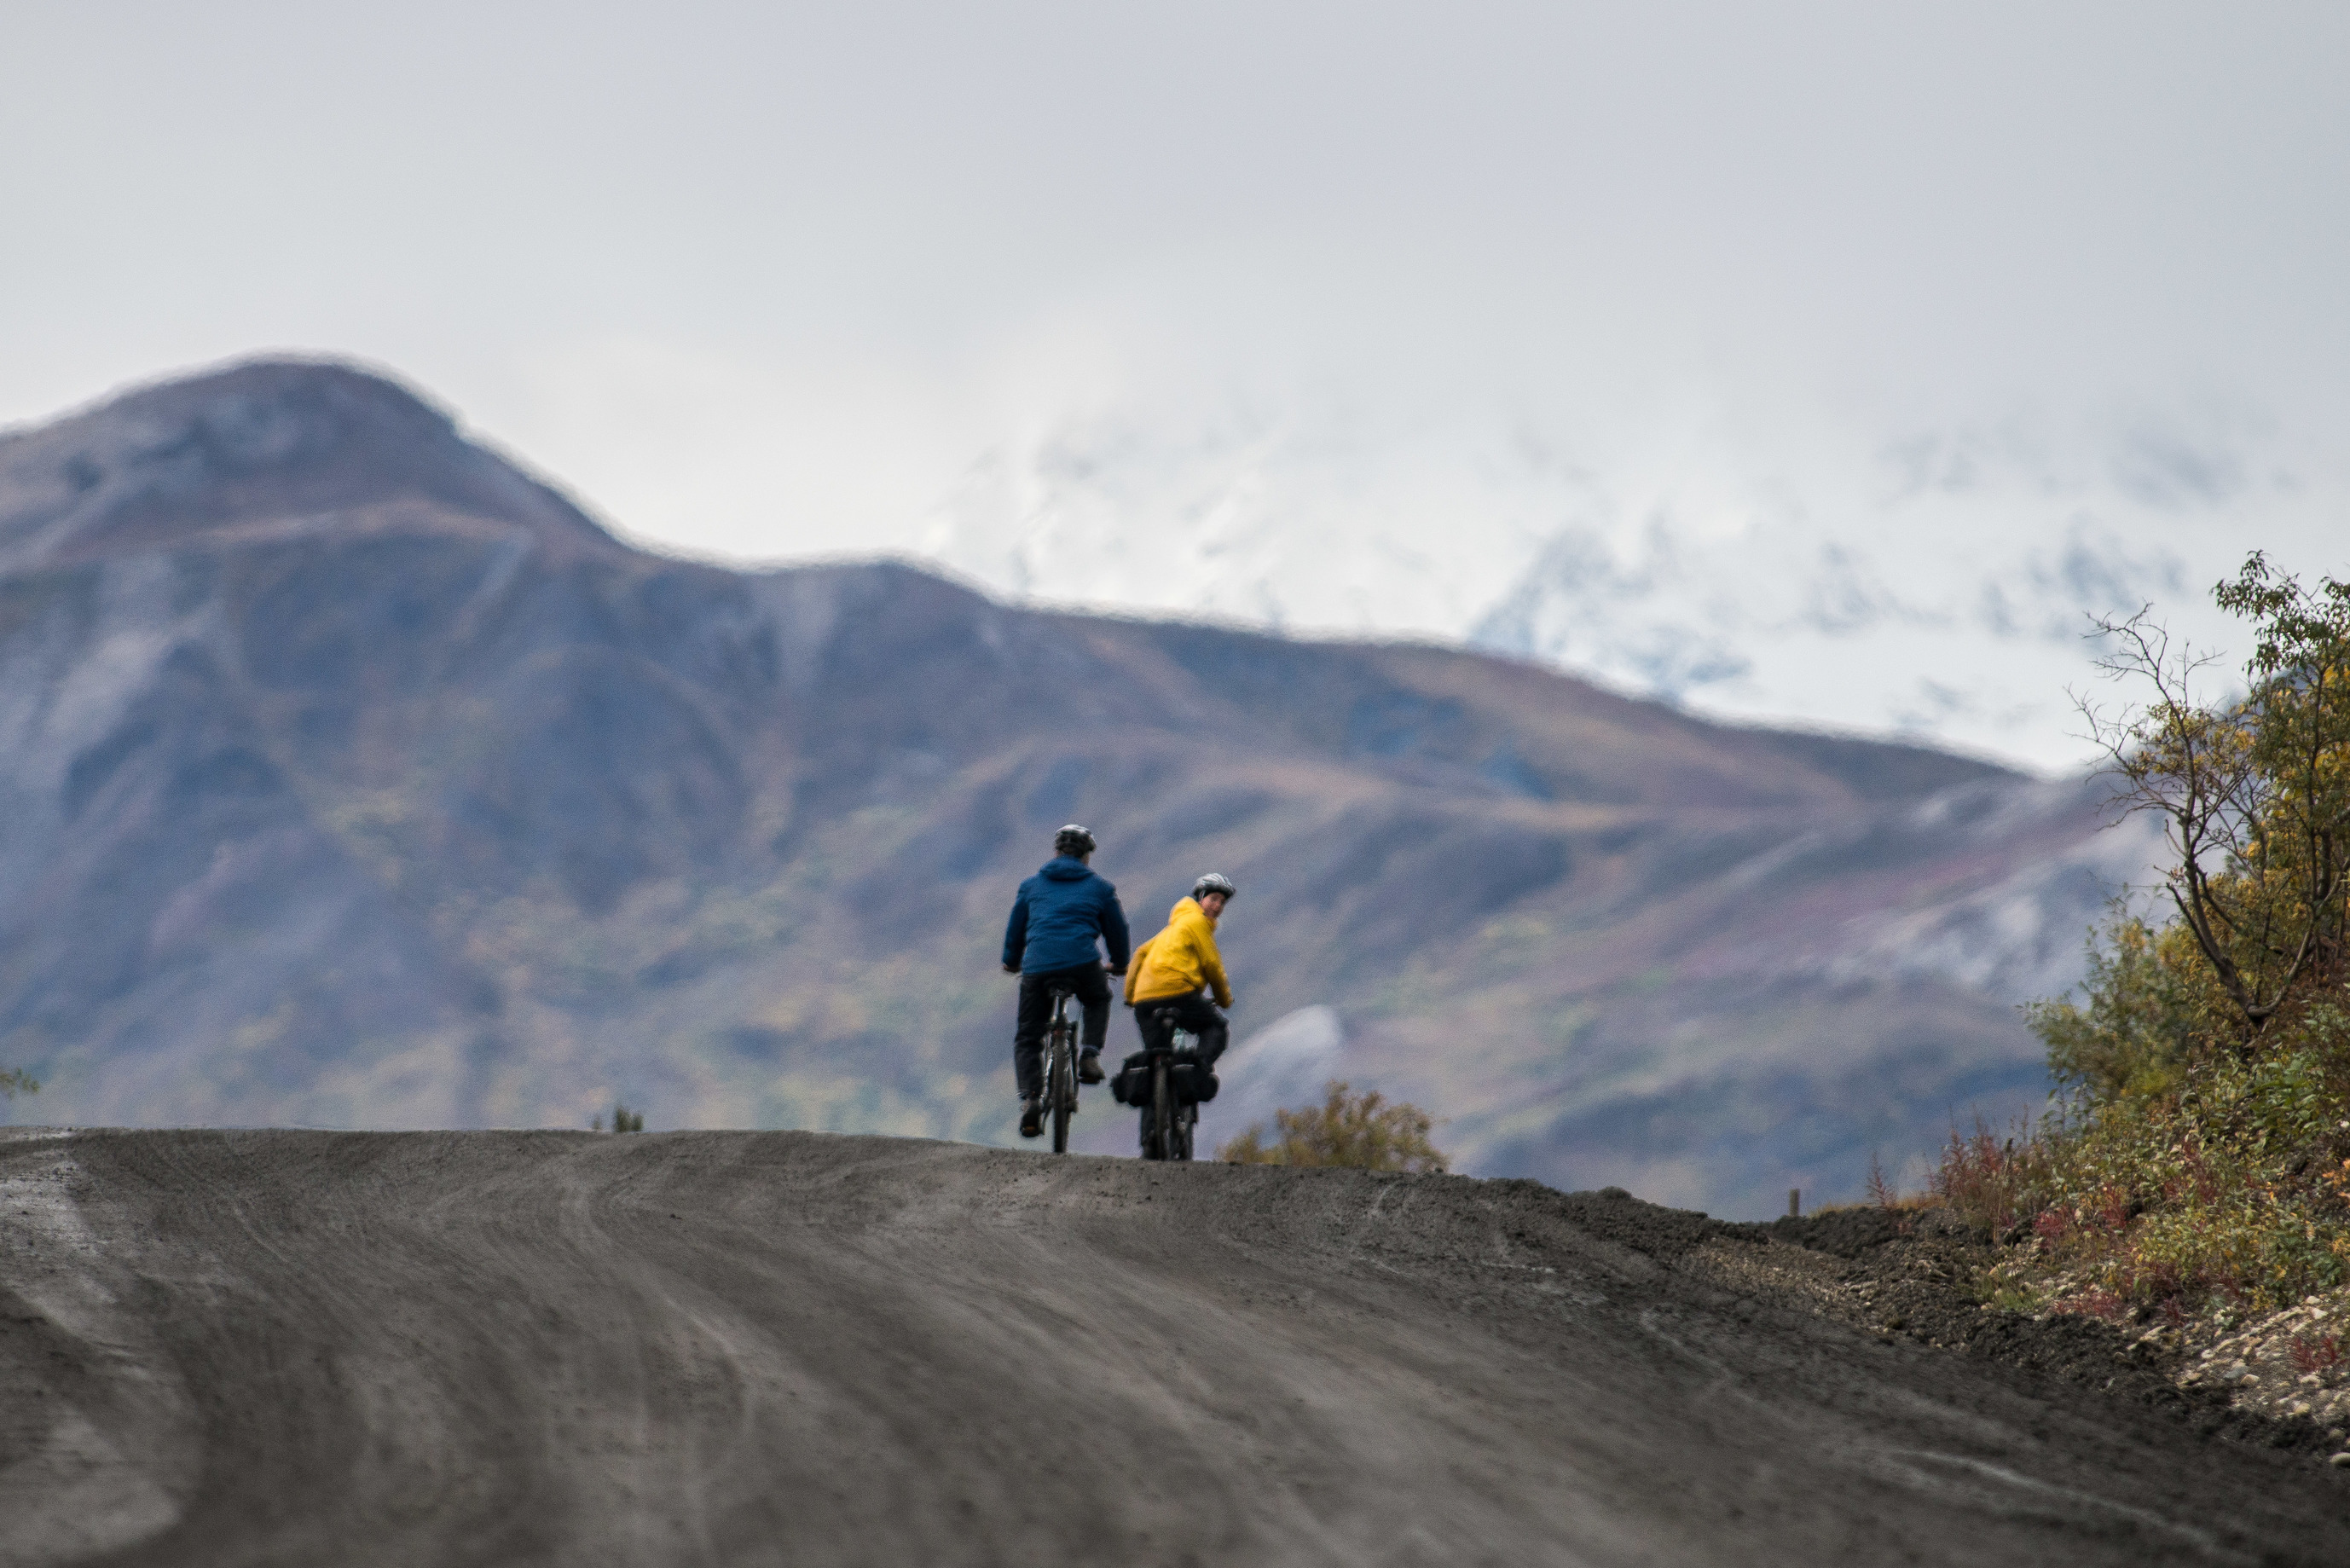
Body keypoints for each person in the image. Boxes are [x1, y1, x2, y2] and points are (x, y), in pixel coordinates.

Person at [1002, 825, 1132, 1138]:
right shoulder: (1100, 888)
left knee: (1028, 1037)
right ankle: (1088, 1054)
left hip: (1038, 966)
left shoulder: (1031, 886)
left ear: (1056, 853)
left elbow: (1015, 929)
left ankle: (1031, 1099)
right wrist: (1119, 963)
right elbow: (1117, 932)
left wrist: (1011, 961)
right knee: (1098, 998)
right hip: (1082, 962)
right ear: (1086, 857)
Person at [1123, 873, 1236, 1072]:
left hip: (1144, 1001)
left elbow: (1139, 955)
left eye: (1222, 902)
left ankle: (1156, 1095)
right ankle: (1195, 1072)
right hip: (1178, 992)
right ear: (1201, 897)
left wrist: (1131, 996)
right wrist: (1224, 999)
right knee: (1216, 1028)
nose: (1217, 906)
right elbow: (1212, 965)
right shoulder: (1197, 922)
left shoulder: (1170, 930)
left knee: (1155, 1057)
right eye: (1214, 899)